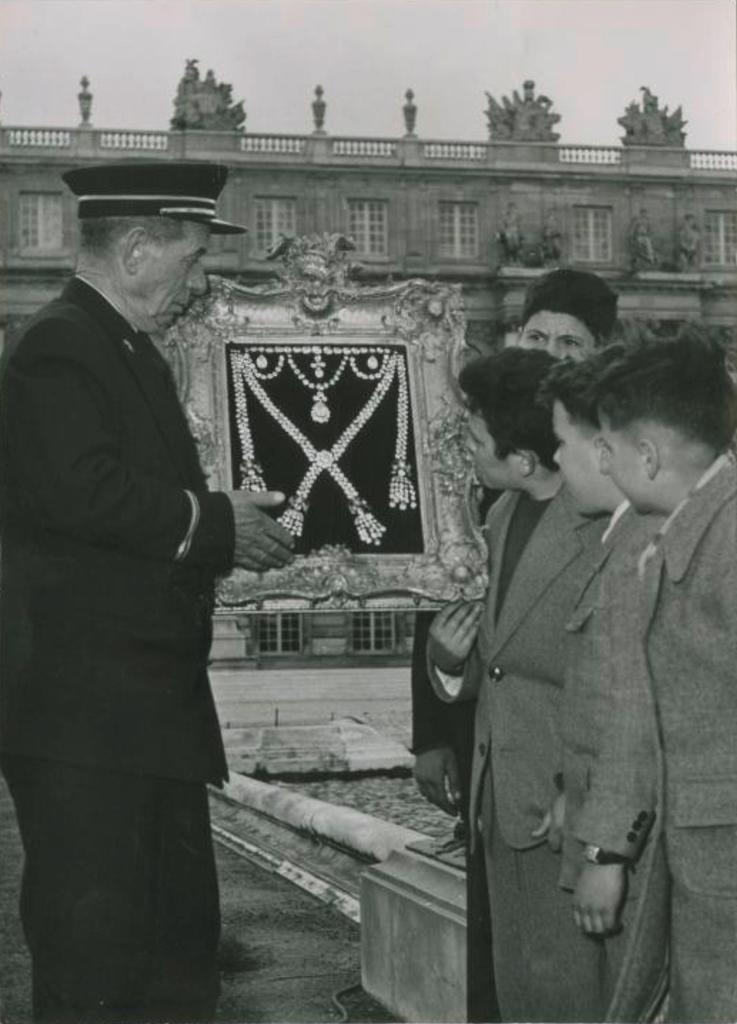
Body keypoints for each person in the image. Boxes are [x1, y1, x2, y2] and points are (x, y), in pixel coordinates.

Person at [0, 161, 295, 1023]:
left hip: (131, 713)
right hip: (89, 720)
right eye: (192, 258)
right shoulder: (62, 344)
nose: (198, 282)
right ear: (135, 250)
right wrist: (214, 522)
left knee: (167, 950)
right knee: (100, 958)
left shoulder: (114, 344)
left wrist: (222, 519)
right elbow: (79, 490)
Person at [410, 266, 617, 1021]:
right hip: (502, 802)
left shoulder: (602, 524)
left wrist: (585, 794)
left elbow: (618, 681)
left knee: (569, 994)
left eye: (472, 438)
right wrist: (446, 665)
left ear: (524, 458)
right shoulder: (496, 515)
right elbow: (491, 660)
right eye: (539, 337)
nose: (460, 448)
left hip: (565, 807)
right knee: (517, 989)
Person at [594, 329, 737, 1024]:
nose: (603, 462)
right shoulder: (692, 531)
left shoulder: (725, 540)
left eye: (609, 447)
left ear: (647, 456)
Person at [538, 354, 669, 1020]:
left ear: (603, 449)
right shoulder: (623, 540)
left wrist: (604, 850)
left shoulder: (638, 548)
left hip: (635, 852)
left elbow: (633, 710)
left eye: (561, 442)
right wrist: (574, 793)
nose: (555, 459)